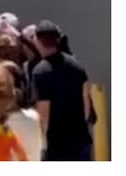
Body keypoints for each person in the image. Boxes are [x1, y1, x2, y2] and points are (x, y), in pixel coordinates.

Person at [31, 20, 93, 161]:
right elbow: (87, 106)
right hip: (81, 140)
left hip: (57, 145)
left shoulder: (40, 72)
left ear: (38, 41)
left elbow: (43, 114)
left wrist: (41, 144)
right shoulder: (76, 65)